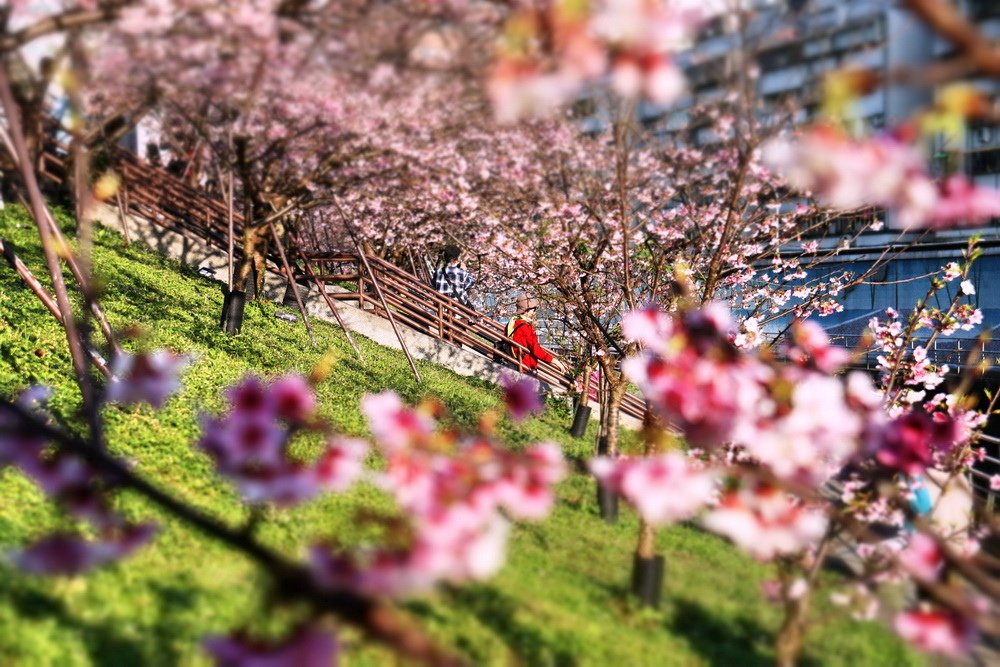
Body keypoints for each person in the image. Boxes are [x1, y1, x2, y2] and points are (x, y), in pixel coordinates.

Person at [506, 295, 567, 383]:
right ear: (527, 310)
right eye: (534, 309)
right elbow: (535, 349)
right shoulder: (525, 326)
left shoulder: (513, 321)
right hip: (526, 365)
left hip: (515, 361)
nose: (534, 312)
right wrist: (555, 361)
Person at [433, 244, 475, 309]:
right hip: (459, 309)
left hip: (442, 309)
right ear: (457, 259)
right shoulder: (462, 273)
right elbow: (471, 284)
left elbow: (434, 284)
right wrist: (465, 270)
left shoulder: (438, 272)